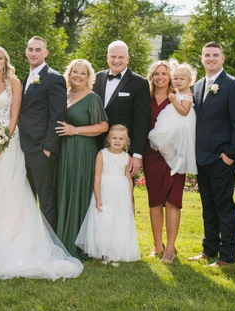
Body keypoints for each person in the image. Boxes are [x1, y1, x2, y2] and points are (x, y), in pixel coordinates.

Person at [0, 46, 83, 280]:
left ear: (6, 61)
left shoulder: (15, 83)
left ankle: (9, 237)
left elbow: (14, 115)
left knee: (7, 190)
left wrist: (1, 141)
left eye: (0, 57)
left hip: (8, 144)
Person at [189, 42, 235, 267]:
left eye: (216, 55)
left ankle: (228, 255)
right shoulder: (197, 86)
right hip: (201, 158)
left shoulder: (234, 85)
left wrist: (230, 155)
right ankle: (209, 249)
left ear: (222, 58)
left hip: (221, 158)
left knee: (224, 206)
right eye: (207, 55)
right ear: (201, 58)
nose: (211, 58)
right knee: (208, 206)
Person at [54, 59, 109, 258]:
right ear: (69, 74)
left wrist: (75, 130)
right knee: (63, 190)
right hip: (63, 150)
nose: (78, 76)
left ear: (88, 77)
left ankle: (75, 243)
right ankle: (59, 238)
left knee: (77, 191)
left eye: (82, 73)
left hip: (82, 151)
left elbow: (103, 126)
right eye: (74, 72)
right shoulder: (64, 94)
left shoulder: (92, 98)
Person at [143, 61, 190, 264]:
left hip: (174, 156)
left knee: (172, 201)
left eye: (164, 73)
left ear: (170, 76)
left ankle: (170, 248)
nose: (160, 77)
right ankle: (157, 245)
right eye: (156, 74)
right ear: (151, 77)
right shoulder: (145, 98)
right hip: (152, 155)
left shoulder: (178, 97)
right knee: (154, 201)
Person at [18, 36, 66, 230]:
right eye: (30, 49)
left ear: (46, 53)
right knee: (28, 197)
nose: (33, 53)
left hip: (41, 149)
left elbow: (58, 115)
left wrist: (48, 148)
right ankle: (31, 236)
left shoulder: (55, 78)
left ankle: (50, 241)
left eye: (38, 50)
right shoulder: (27, 77)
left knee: (45, 198)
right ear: (26, 52)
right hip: (24, 147)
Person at [75, 125, 140, 265]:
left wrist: (131, 199)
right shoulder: (102, 154)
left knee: (119, 220)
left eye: (121, 138)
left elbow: (128, 178)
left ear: (126, 141)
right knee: (104, 220)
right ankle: (104, 251)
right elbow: (97, 176)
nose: (117, 141)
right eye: (114, 138)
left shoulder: (126, 157)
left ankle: (116, 253)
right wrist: (98, 197)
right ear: (108, 139)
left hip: (121, 193)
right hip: (105, 191)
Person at [93, 41, 150, 177]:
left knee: (122, 185)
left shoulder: (139, 83)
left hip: (123, 149)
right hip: (95, 147)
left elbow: (142, 121)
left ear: (127, 58)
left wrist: (137, 154)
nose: (116, 61)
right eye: (113, 57)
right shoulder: (96, 78)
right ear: (107, 57)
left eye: (121, 57)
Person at [148, 61, 197, 176]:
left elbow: (184, 111)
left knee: (156, 136)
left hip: (179, 122)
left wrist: (173, 100)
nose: (178, 81)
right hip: (173, 119)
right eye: (175, 78)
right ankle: (175, 160)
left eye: (181, 79)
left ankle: (176, 160)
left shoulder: (185, 94)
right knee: (156, 136)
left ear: (189, 81)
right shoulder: (178, 92)